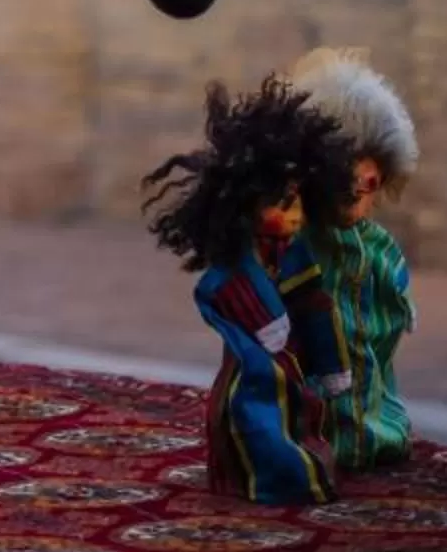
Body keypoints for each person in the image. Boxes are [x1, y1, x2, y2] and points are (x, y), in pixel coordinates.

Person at [142, 77, 357, 505]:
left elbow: (315, 303)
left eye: (298, 202)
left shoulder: (294, 254)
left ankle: (297, 466)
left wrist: (331, 360)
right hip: (254, 366)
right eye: (282, 203)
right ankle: (275, 477)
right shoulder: (237, 263)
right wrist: (270, 321)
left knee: (301, 411)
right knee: (255, 415)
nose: (294, 216)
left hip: (293, 359)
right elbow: (215, 290)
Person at [285, 46, 419, 471]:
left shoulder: (375, 246)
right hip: (306, 414)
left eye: (369, 190)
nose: (359, 207)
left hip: (375, 413)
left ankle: (369, 429)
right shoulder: (296, 242)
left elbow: (385, 331)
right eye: (345, 192)